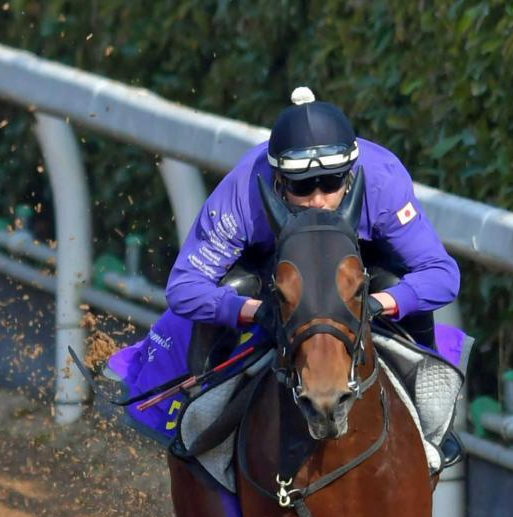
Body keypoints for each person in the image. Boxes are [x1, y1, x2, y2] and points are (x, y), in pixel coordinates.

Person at [110, 87, 463, 465]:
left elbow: (442, 274)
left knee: (399, 285)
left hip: (357, 270)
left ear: (351, 174)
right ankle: (203, 423)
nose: (317, 200)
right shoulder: (242, 192)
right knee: (233, 287)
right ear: (278, 181)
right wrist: (252, 310)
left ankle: (429, 424)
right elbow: (184, 288)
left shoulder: (383, 180)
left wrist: (375, 304)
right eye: (301, 187)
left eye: (331, 184)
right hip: (274, 273)